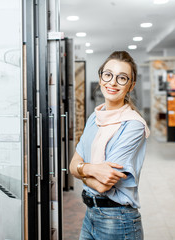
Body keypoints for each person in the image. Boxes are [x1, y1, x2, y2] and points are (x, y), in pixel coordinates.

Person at [69, 51, 150, 240]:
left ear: (131, 85)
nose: (112, 83)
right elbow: (72, 164)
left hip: (118, 220)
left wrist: (80, 172)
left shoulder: (133, 124)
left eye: (122, 78)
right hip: (90, 215)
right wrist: (89, 170)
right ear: (100, 78)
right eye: (108, 75)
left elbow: (103, 184)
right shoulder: (94, 117)